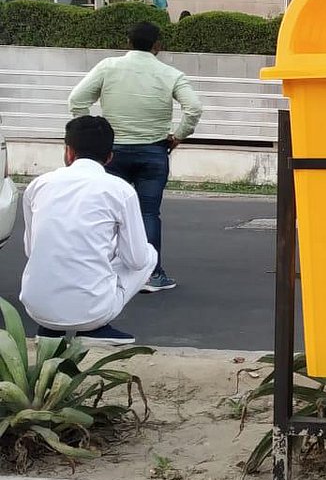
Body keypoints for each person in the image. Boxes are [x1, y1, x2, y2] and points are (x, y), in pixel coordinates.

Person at [67, 21, 204, 293]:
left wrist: (94, 136)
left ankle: (103, 271)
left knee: (106, 213)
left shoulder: (108, 67)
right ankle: (151, 275)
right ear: (157, 45)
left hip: (112, 153)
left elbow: (77, 100)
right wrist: (179, 135)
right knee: (148, 213)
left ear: (128, 43)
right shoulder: (171, 74)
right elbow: (194, 108)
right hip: (154, 151)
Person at [20, 116, 157, 344]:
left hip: (37, 309)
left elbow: (31, 249)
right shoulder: (120, 190)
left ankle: (50, 331)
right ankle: (95, 329)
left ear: (69, 152)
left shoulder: (38, 185)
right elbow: (137, 260)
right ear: (109, 157)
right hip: (92, 313)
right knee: (149, 254)